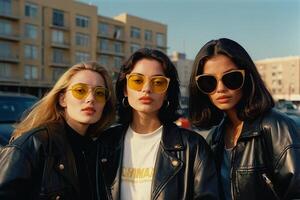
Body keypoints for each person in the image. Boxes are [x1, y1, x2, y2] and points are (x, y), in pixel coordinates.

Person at [98, 48, 219, 200]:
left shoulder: (192, 147)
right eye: (137, 81)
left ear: (167, 91)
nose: (147, 89)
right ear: (125, 89)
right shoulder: (105, 143)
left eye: (158, 82)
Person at [189, 38, 300, 200]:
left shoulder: (276, 127)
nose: (220, 89)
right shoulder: (215, 137)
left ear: (248, 78)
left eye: (231, 78)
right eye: (208, 82)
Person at [0, 61, 115, 200]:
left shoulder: (101, 149)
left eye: (99, 93)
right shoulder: (34, 144)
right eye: (80, 91)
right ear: (63, 99)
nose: (91, 98)